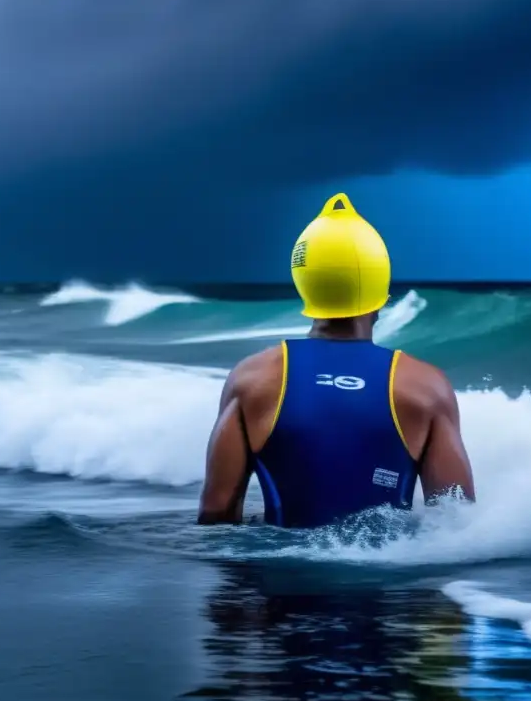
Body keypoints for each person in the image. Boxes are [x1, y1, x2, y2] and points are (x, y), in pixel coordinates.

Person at [197, 193, 475, 528]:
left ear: (304, 281)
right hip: (387, 579)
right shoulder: (424, 387)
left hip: (275, 579)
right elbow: (457, 522)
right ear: (380, 283)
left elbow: (217, 512)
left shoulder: (253, 379)